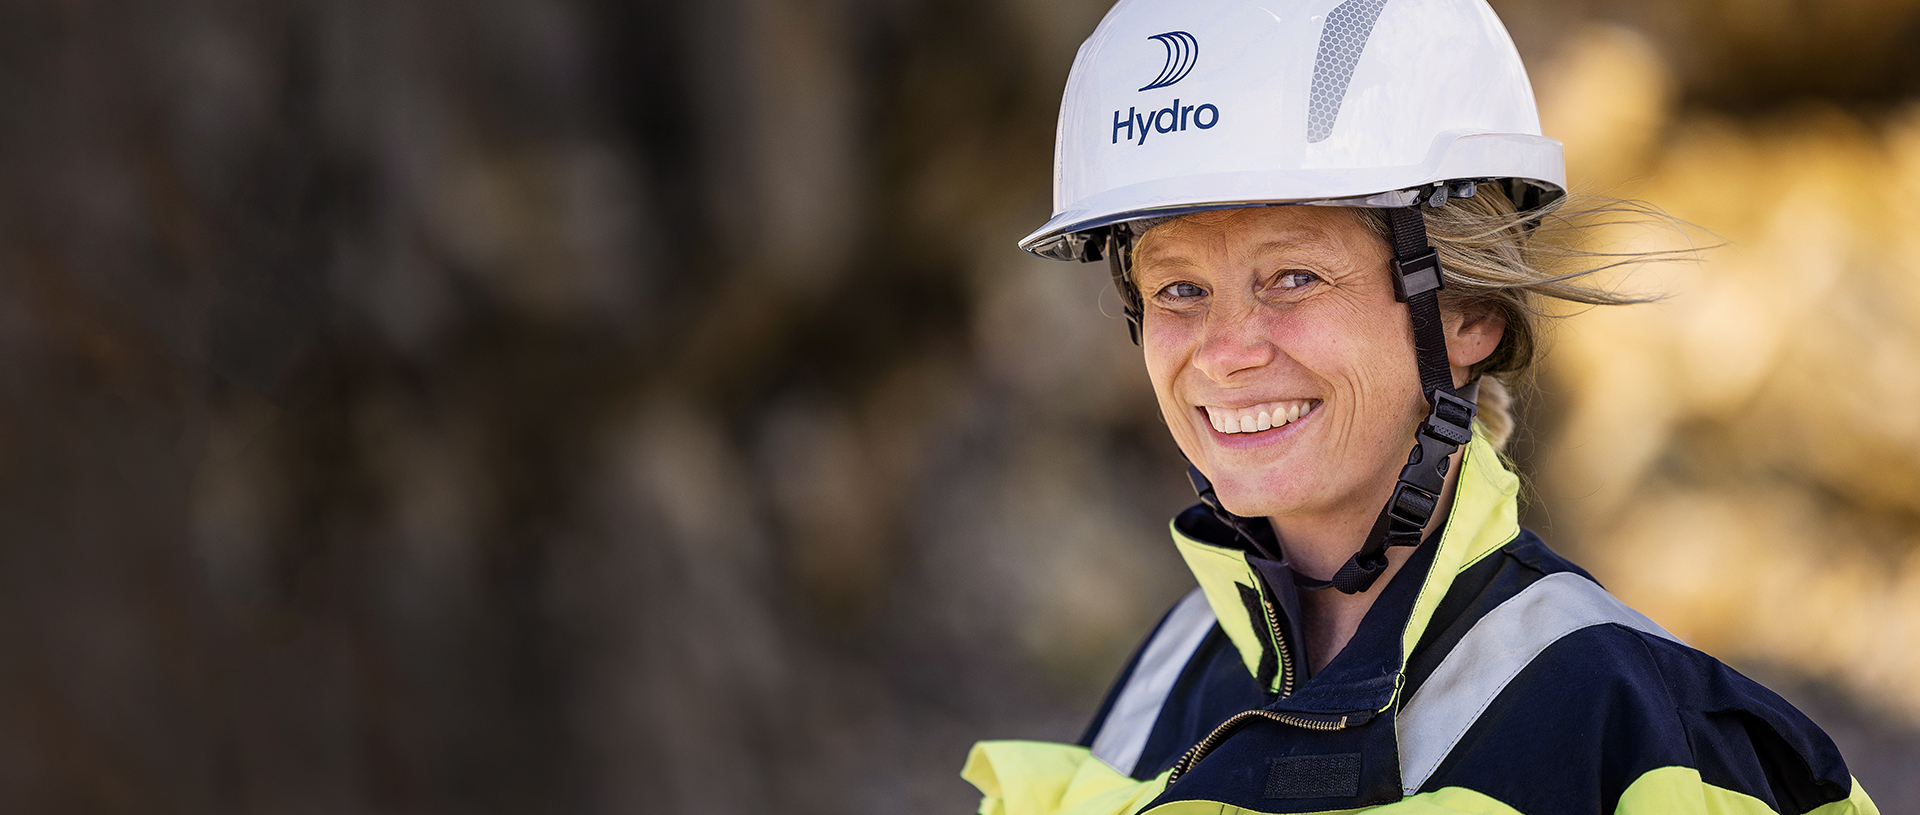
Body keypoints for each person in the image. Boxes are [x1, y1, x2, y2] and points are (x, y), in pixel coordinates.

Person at [960, 1, 1881, 813]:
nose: (1228, 352)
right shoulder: (1156, 690)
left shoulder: (1647, 735)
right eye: (1177, 290)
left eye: (1293, 276)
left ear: (1471, 312)